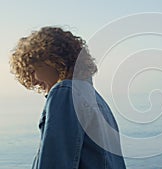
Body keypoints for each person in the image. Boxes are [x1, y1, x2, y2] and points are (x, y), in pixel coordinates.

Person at [9, 26, 126, 169]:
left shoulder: (65, 92)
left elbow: (55, 163)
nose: (33, 80)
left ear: (52, 61)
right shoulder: (96, 100)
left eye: (33, 70)